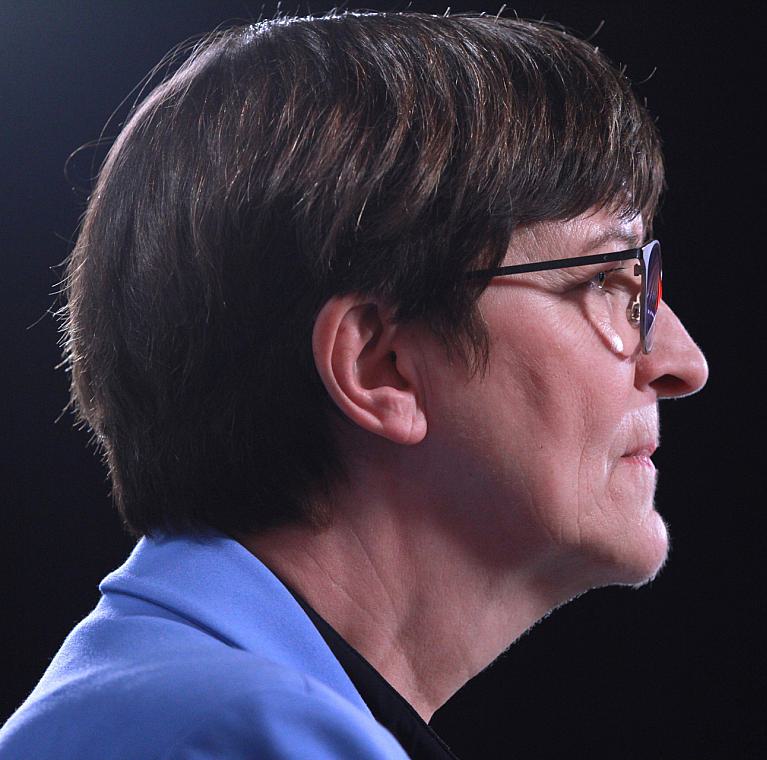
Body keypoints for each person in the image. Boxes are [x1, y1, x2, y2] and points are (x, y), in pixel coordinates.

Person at [0, 10, 708, 759]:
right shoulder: (246, 736)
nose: (683, 362)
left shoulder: (170, 704)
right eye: (604, 279)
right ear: (380, 366)